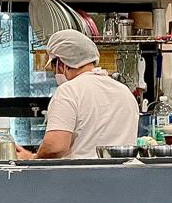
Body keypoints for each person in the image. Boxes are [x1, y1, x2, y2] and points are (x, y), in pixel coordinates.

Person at [17, 30, 139, 160]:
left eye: (53, 69)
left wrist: (31, 157)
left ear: (60, 64)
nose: (54, 74)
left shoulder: (69, 91)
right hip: (125, 177)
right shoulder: (124, 91)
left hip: (82, 177)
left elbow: (56, 147)